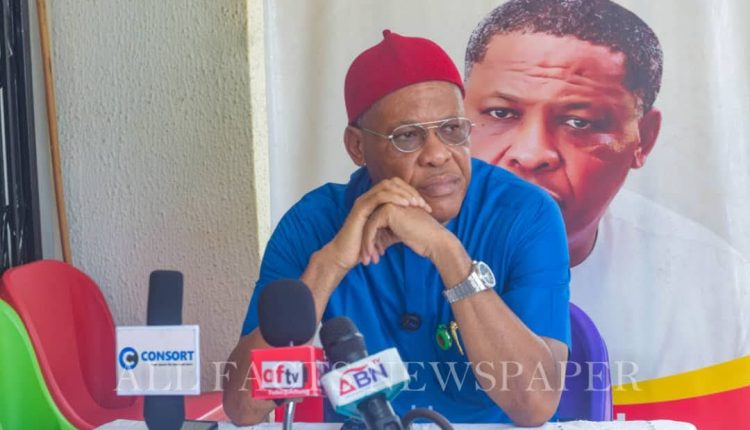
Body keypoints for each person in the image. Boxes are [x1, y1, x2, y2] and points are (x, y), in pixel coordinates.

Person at [223, 30, 571, 426]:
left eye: (452, 130)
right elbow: (243, 409)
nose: (438, 154)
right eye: (407, 137)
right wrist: (331, 263)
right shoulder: (314, 223)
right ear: (357, 147)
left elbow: (534, 405)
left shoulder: (524, 213)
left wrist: (449, 254)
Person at [463, 0, 750, 385]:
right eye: (501, 113)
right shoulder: (396, 252)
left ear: (643, 140)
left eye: (579, 122)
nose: (531, 153)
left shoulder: (711, 285)